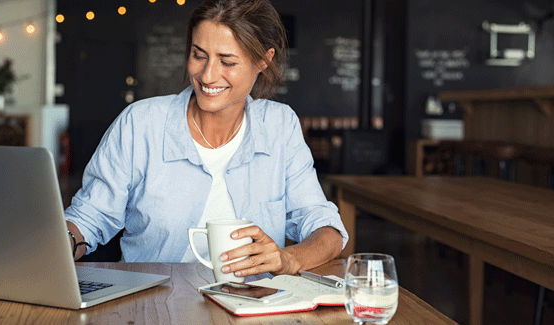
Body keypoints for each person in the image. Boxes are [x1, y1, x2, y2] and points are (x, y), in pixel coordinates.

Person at [65, 0, 348, 278]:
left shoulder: (279, 126)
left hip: (254, 311)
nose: (207, 75)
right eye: (199, 55)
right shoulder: (141, 123)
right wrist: (59, 244)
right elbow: (88, 218)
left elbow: (326, 230)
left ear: (263, 60)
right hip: (154, 306)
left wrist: (288, 259)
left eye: (227, 61)